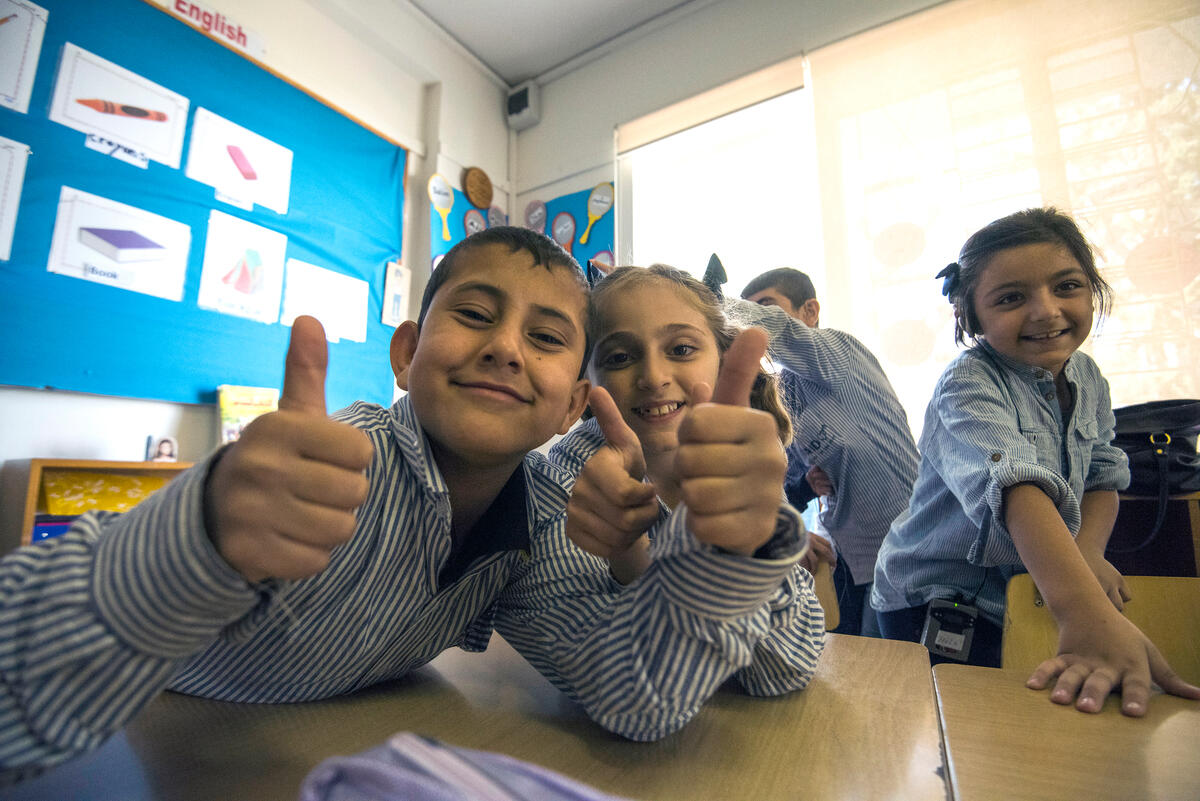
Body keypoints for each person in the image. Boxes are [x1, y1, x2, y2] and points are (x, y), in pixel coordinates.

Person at [0, 228, 823, 780]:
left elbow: (635, 694)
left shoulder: (540, 520)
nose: (505, 347)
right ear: (405, 353)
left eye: (545, 337)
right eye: (474, 315)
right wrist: (201, 538)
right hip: (150, 739)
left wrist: (727, 549)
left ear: (573, 403)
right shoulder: (326, 468)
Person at [871, 207, 1200, 715]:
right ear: (970, 316)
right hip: (940, 599)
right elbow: (1016, 488)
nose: (1046, 311)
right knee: (967, 728)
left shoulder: (1087, 376)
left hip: (1032, 587)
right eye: (1011, 298)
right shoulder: (968, 383)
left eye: (1066, 286)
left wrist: (1087, 554)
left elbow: (1104, 473)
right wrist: (1084, 614)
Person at [552, 262, 825, 664]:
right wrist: (630, 559)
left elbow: (789, 663)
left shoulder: (740, 463)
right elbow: (621, 672)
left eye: (681, 349)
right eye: (620, 357)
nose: (653, 377)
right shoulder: (566, 481)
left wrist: (744, 548)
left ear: (722, 359)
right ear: (587, 379)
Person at [718, 267, 918, 638]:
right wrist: (803, 493)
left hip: (908, 549)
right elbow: (780, 487)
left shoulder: (839, 350)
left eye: (766, 306)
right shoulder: (785, 391)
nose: (754, 320)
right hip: (847, 561)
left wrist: (705, 302)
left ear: (810, 311)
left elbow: (778, 330)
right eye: (751, 309)